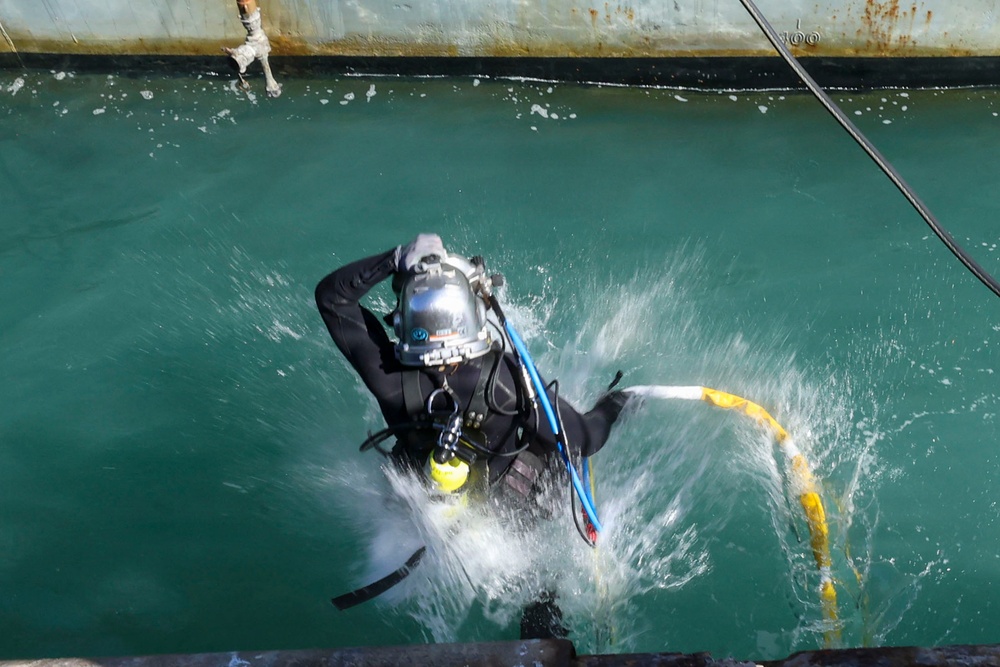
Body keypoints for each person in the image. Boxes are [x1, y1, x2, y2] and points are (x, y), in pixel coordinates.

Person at [315, 234, 631, 637]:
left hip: (425, 504)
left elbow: (332, 297)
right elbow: (582, 441)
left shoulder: (389, 380)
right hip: (509, 513)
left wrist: (395, 259)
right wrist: (613, 406)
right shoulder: (507, 381)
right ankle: (541, 624)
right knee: (547, 455)